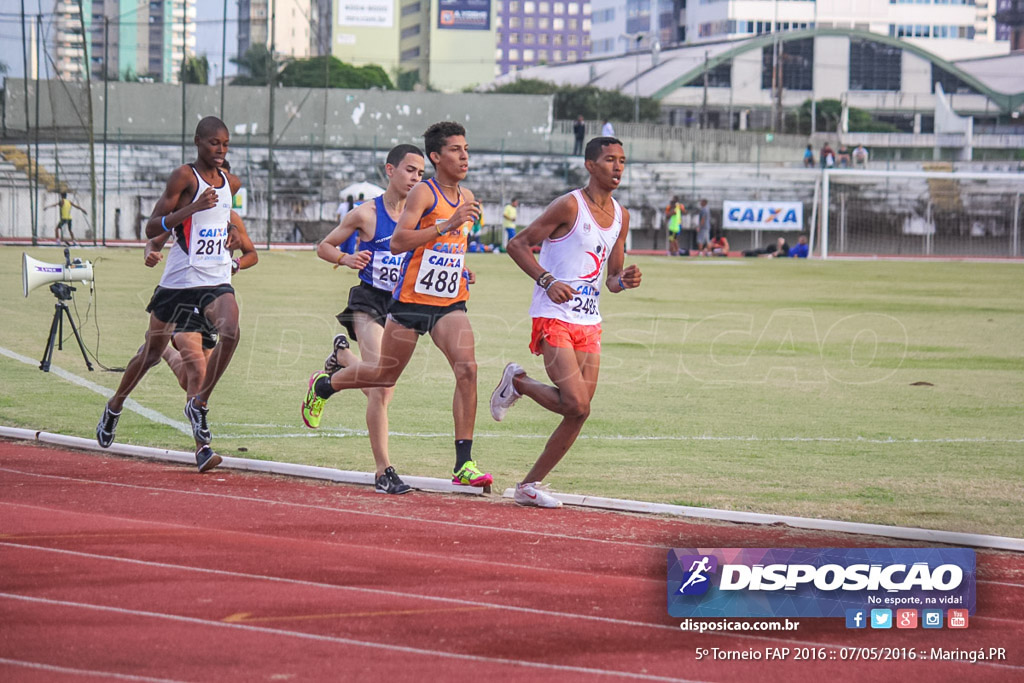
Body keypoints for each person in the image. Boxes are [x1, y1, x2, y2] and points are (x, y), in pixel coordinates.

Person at [302, 121, 492, 489]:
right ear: (438, 157)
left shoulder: (468, 197)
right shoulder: (424, 193)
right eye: (455, 149)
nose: (464, 155)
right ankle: (326, 386)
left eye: (466, 148)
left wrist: (459, 269)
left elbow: (449, 247)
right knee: (384, 378)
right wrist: (446, 223)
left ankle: (463, 464)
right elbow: (399, 241)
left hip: (449, 301)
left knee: (468, 369)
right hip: (407, 301)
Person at [490, 136, 642, 509]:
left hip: (589, 321)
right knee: (575, 403)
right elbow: (517, 244)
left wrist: (624, 281)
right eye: (610, 159)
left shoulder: (621, 217)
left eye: (622, 160)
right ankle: (519, 382)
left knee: (580, 411)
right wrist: (547, 280)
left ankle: (529, 485)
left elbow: (611, 277)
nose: (618, 167)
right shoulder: (569, 206)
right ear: (590, 165)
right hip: (553, 315)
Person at [96, 116, 244, 473]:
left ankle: (200, 421)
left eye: (225, 144)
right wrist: (191, 210)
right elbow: (151, 227)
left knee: (231, 333)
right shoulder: (183, 177)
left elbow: (226, 224)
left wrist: (235, 238)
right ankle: (115, 404)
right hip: (178, 284)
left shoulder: (232, 183)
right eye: (214, 143)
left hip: (214, 281)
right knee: (151, 353)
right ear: (198, 142)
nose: (220, 150)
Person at [310, 144, 426, 495]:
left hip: (401, 305)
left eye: (421, 173)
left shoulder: (420, 215)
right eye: (409, 170)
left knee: (382, 385)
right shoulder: (366, 214)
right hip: (368, 301)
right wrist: (345, 260)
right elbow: (324, 246)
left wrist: (461, 272)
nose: (415, 178)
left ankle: (340, 362)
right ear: (390, 171)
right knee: (382, 384)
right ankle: (383, 471)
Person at [144, 210, 258, 391]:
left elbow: (252, 254)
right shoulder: (183, 213)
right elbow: (154, 242)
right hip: (184, 296)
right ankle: (197, 416)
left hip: (214, 299)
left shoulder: (230, 217)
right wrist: (150, 253)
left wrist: (235, 264)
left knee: (190, 379)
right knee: (197, 374)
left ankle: (163, 349)